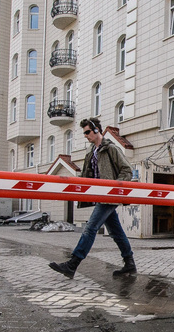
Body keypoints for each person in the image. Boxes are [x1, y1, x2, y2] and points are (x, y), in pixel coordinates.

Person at [49, 117, 136, 279]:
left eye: (88, 132)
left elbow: (127, 170)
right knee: (116, 232)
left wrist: (114, 187)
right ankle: (129, 263)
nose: (86, 135)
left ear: (96, 130)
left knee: (90, 227)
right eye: (84, 133)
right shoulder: (91, 152)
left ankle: (72, 264)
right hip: (99, 197)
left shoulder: (110, 149)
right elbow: (85, 176)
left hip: (109, 197)